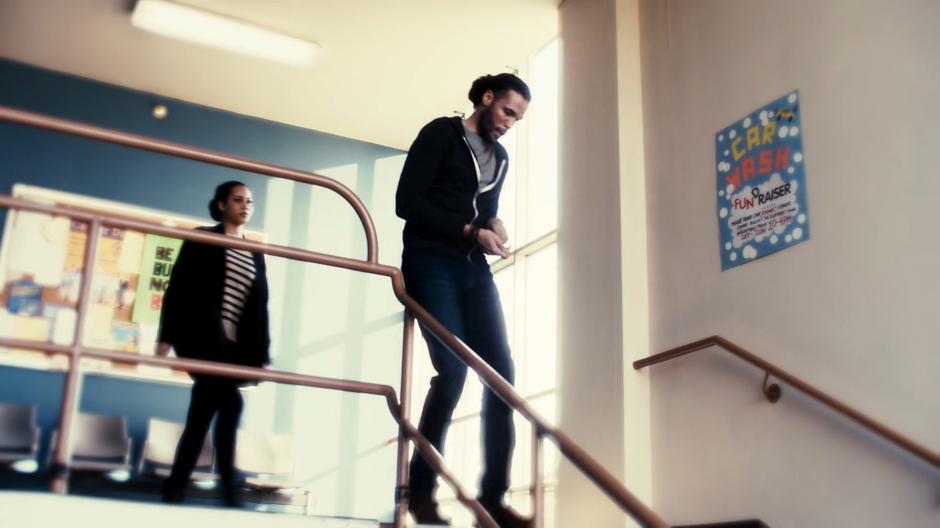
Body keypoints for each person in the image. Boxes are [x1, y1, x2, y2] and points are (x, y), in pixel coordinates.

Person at [395, 73, 531, 528]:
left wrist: (495, 223)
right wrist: (472, 230)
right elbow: (407, 202)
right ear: (487, 98)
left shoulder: (502, 157)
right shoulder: (440, 133)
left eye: (519, 118)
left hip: (473, 267)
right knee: (452, 370)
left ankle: (492, 499)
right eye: (508, 111)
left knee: (502, 377)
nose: (511, 123)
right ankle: (420, 492)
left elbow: (483, 204)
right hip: (430, 260)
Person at [156, 181, 270, 507]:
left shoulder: (256, 252)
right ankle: (227, 489)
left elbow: (260, 308)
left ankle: (178, 486)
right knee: (228, 406)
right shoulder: (203, 237)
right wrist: (165, 338)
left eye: (249, 201)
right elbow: (177, 288)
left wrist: (261, 355)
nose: (245, 205)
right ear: (221, 205)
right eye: (237, 200)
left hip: (237, 350)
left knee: (205, 412)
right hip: (203, 340)